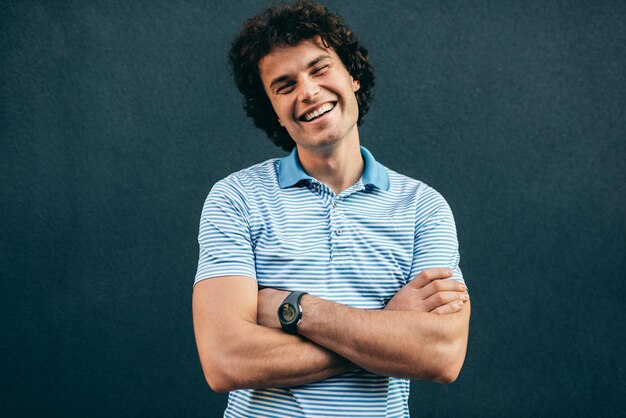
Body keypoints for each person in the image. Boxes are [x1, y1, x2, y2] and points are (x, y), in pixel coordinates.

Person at [192, 1, 470, 416]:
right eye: (284, 85)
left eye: (320, 69)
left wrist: (294, 309)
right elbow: (226, 361)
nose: (307, 92)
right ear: (273, 110)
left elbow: (442, 355)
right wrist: (387, 329)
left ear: (352, 76)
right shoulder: (236, 198)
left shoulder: (423, 208)